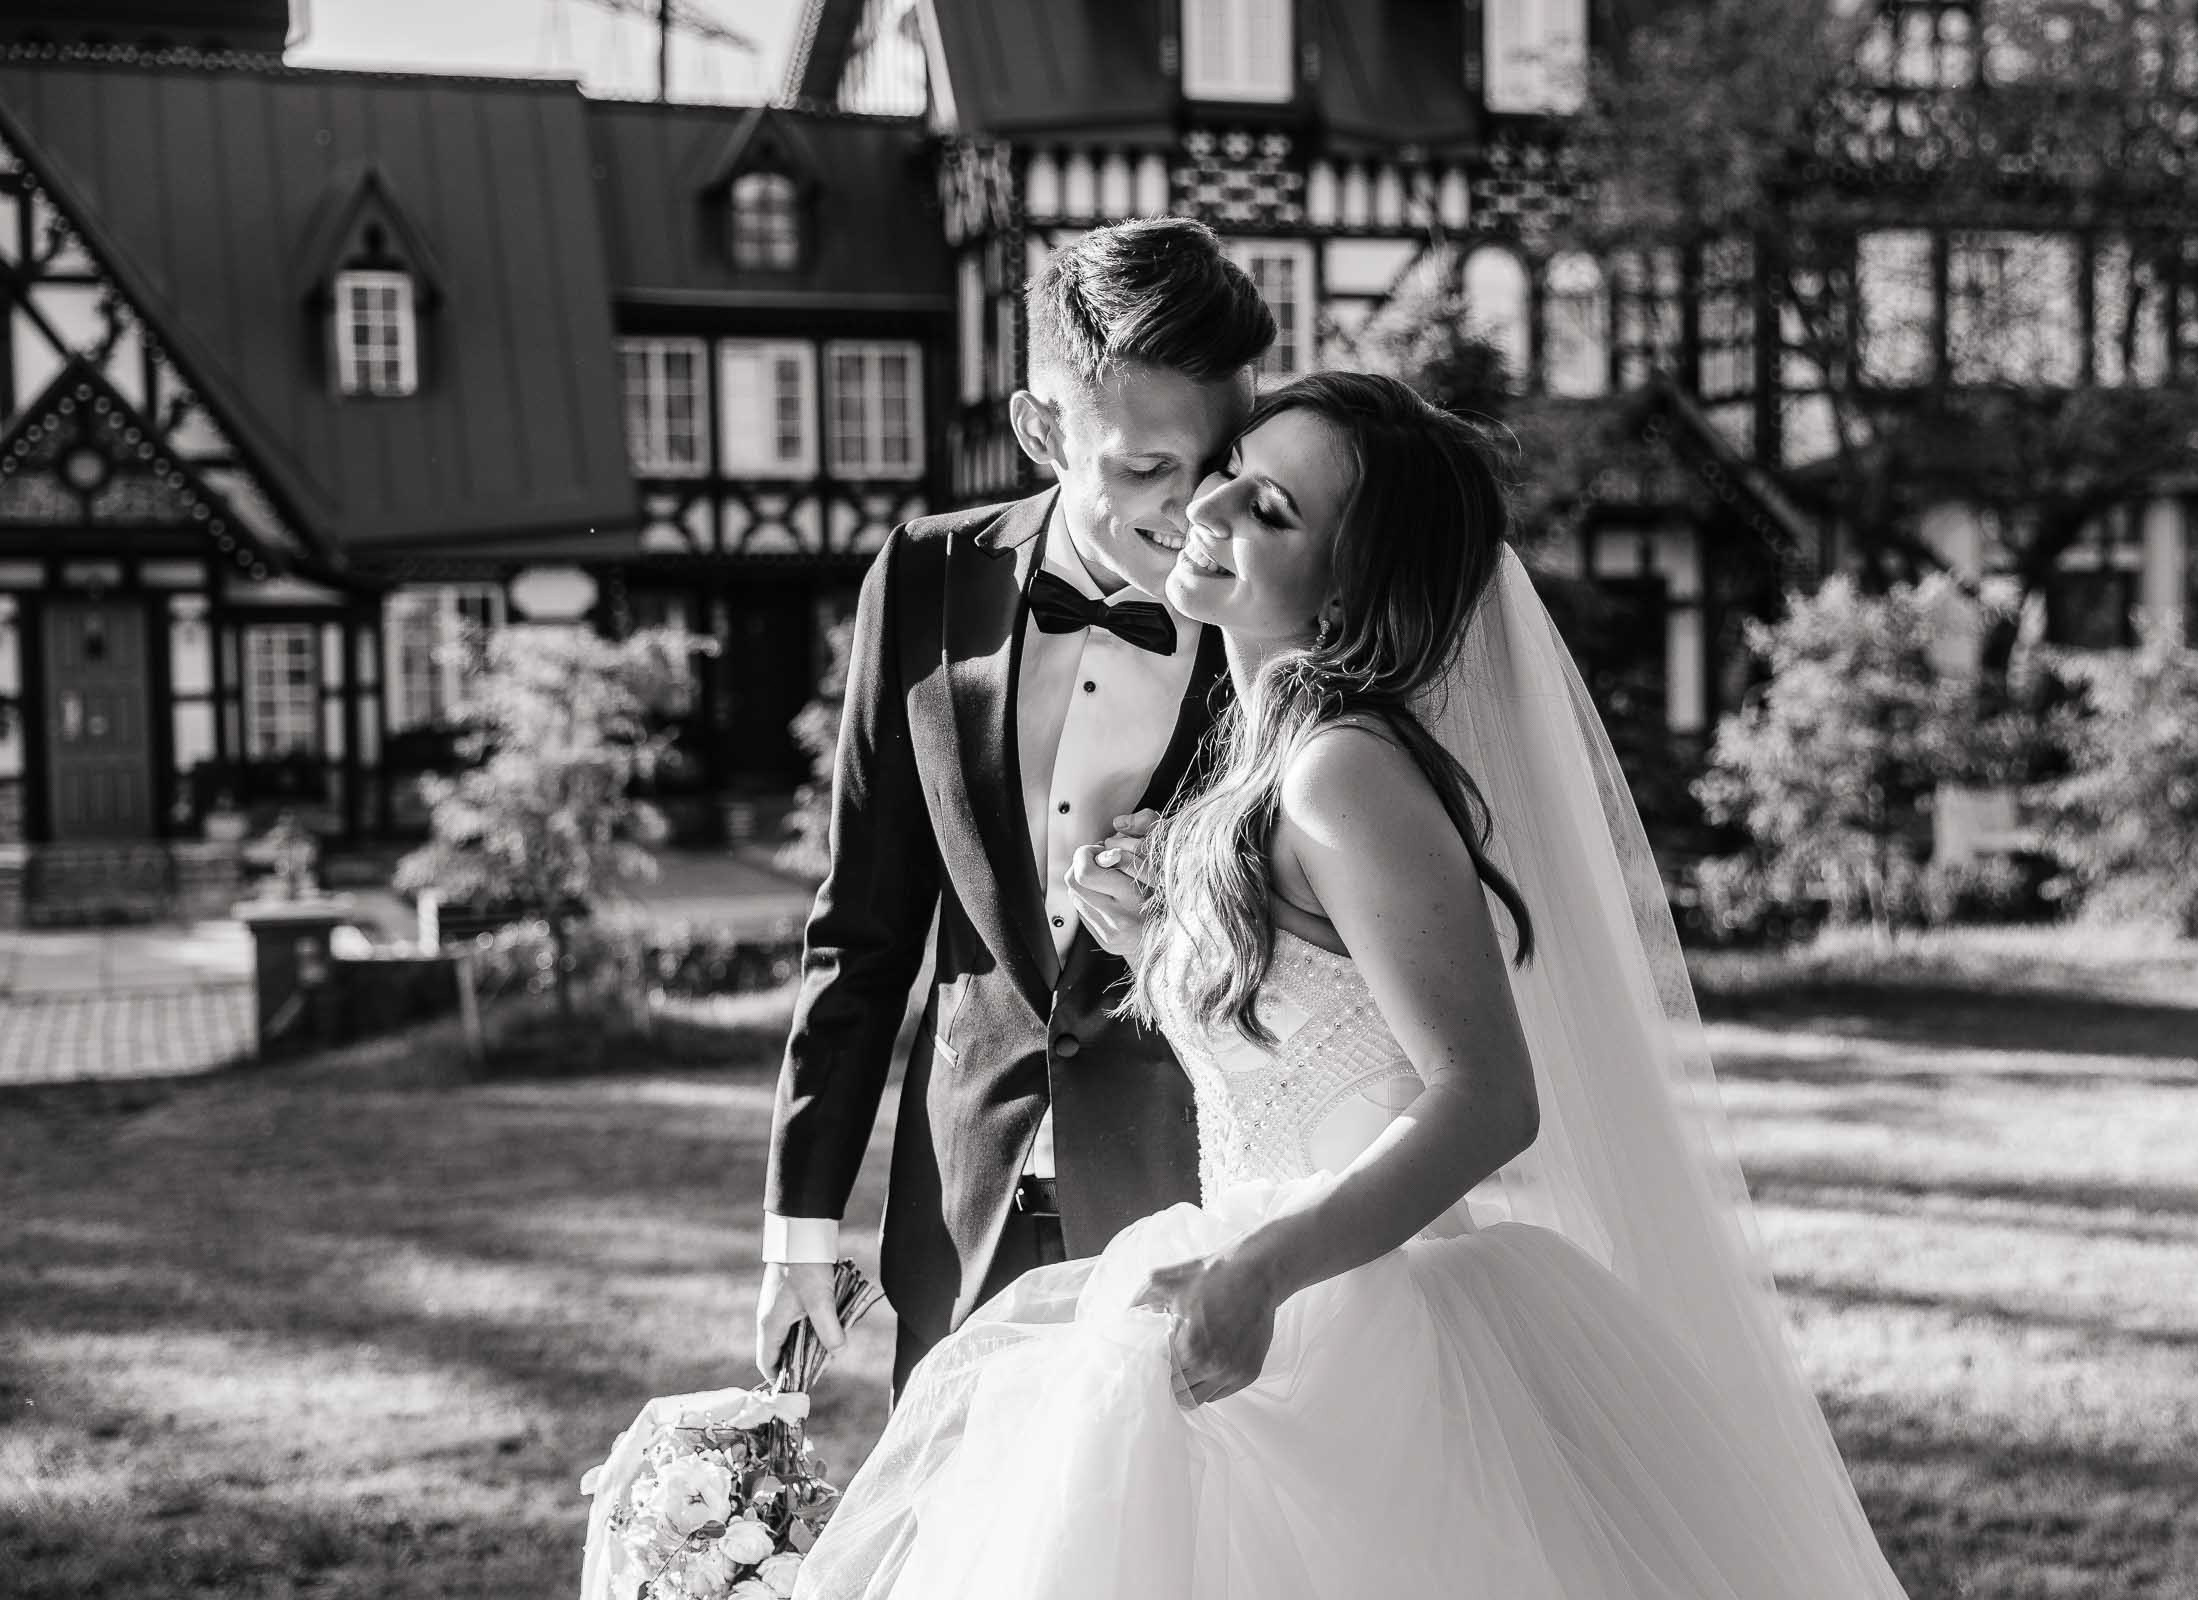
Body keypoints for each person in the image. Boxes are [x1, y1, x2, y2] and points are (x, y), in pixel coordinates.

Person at [794, 373, 1914, 1598]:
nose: (1207, 501)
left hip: (1352, 1319)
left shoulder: (1343, 773)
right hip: (1242, 1281)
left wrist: (1268, 1268)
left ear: (1348, 587)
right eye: (1234, 470)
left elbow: (1485, 1096)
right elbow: (1308, 1026)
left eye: (1268, 507)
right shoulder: (1267, 764)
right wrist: (1149, 941)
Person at [753, 218, 1276, 1397]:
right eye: (1144, 468)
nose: (1193, 510)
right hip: (963, 1221)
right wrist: (801, 1220)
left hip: (1190, 1221)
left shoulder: (1287, 614)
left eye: (1216, 463)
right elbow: (862, 927)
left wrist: (1194, 909)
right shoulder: (925, 578)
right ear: (1042, 430)